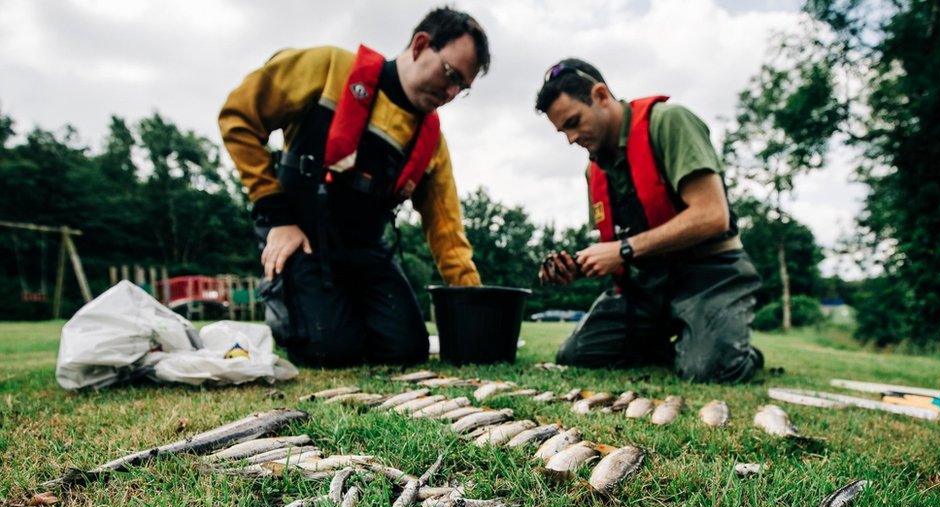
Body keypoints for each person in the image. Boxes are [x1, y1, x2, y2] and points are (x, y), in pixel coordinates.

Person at [218, 7, 489, 367]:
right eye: (451, 74)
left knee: (407, 350)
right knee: (330, 350)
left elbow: (447, 229)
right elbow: (239, 116)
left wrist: (473, 301)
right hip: (301, 235)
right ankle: (290, 306)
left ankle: (337, 314)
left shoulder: (432, 142)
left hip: (364, 248)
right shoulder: (328, 67)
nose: (452, 91)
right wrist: (277, 218)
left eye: (463, 88)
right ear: (422, 44)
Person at [535, 58, 763, 383]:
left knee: (707, 370)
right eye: (563, 131)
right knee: (576, 356)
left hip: (710, 274)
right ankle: (681, 342)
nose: (571, 138)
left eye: (574, 122)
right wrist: (579, 266)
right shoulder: (595, 170)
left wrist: (623, 250)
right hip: (647, 284)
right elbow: (613, 251)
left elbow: (712, 215)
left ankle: (729, 349)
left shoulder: (669, 122)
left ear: (600, 96)